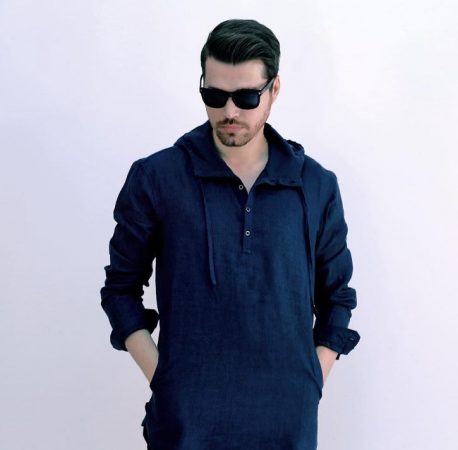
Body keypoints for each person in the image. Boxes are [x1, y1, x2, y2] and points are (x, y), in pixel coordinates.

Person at [100, 18, 360, 450]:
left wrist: (310, 379)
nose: (230, 112)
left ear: (274, 90)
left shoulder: (315, 185)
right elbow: (120, 290)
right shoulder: (157, 178)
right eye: (215, 96)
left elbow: (337, 298)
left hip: (287, 429)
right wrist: (165, 378)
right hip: (184, 428)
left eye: (246, 97)